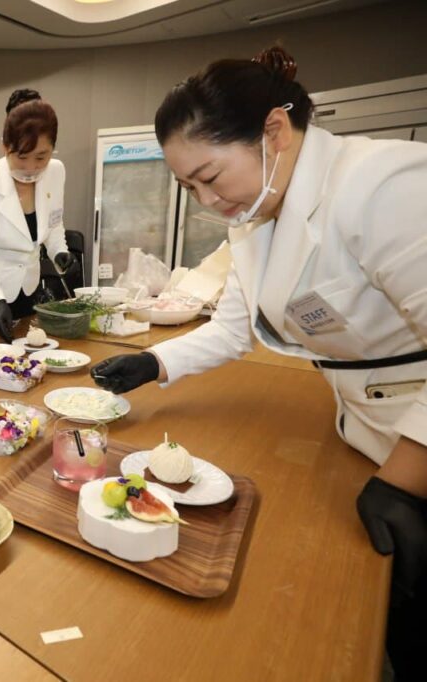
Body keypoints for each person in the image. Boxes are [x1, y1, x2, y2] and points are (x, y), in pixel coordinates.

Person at [90, 47, 427, 679]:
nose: (205, 200)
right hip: (368, 440)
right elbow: (232, 329)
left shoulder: (383, 186)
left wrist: (406, 481)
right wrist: (152, 363)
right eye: (189, 188)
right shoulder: (253, 220)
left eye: (210, 177)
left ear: (274, 132)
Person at [0, 89, 77, 341]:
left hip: (25, 284)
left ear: (53, 149)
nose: (31, 168)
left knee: (24, 352)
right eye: (22, 157)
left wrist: (59, 251)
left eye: (41, 157)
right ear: (5, 147)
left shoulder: (56, 172)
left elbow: (53, 222)